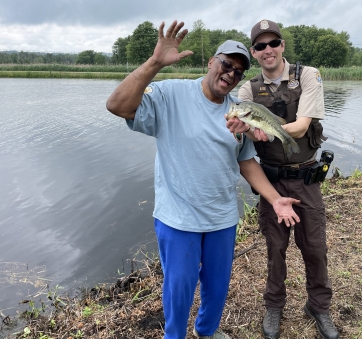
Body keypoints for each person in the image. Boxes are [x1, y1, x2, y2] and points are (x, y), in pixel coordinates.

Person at [106, 20, 301, 339]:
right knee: (179, 289)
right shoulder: (171, 93)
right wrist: (155, 62)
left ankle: (207, 331)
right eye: (227, 64)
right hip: (178, 219)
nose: (231, 73)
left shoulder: (239, 113)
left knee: (217, 285)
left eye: (239, 71)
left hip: (222, 218)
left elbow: (246, 161)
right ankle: (175, 336)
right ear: (211, 62)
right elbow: (117, 106)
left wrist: (274, 198)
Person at [236, 19, 339, 339]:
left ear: (282, 45)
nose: (268, 50)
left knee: (315, 248)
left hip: (306, 177)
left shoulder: (307, 75)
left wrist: (266, 129)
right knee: (275, 249)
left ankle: (318, 307)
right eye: (260, 46)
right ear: (254, 53)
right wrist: (247, 131)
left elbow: (304, 124)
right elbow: (238, 125)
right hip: (271, 182)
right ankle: (274, 307)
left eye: (273, 43)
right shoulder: (247, 90)